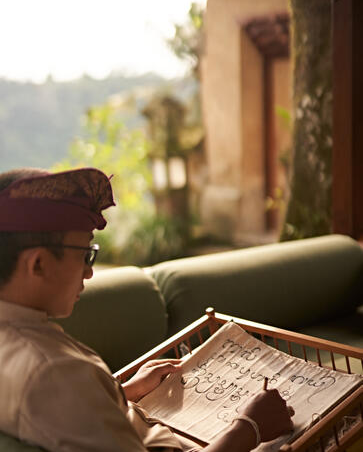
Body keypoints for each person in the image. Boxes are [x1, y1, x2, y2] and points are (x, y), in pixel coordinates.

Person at [0, 167, 294, 452]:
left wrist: (122, 390)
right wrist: (249, 427)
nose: (88, 273)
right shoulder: (56, 372)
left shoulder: (20, 342)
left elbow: (64, 415)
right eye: (85, 254)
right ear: (38, 264)